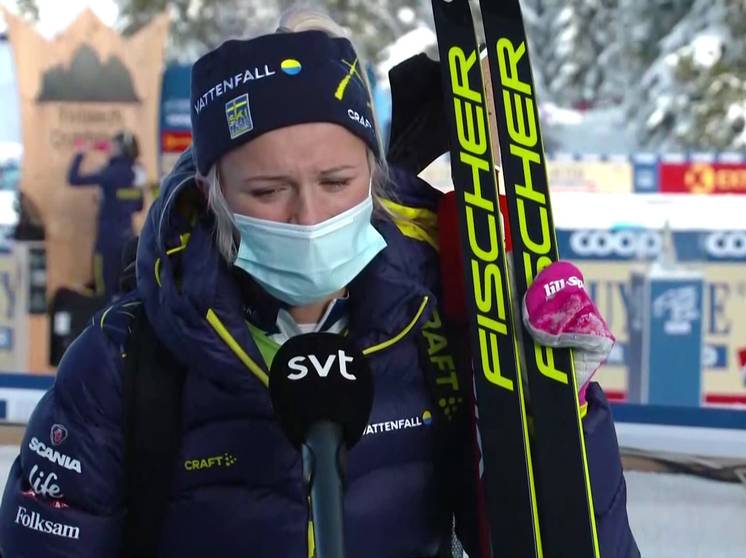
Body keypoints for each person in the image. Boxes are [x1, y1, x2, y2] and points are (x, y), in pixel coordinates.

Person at [0, 9, 639, 558]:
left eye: (336, 183)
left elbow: (554, 541)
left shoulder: (437, 327)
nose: (309, 217)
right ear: (212, 194)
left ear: (375, 178)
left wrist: (561, 415)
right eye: (267, 191)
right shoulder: (124, 363)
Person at [66, 130, 145, 300]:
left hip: (107, 242)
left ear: (120, 148)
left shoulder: (109, 173)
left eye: (113, 145)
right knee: (125, 292)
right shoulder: (138, 172)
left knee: (104, 293)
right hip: (128, 240)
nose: (109, 148)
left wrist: (80, 153)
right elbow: (139, 206)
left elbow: (73, 178)